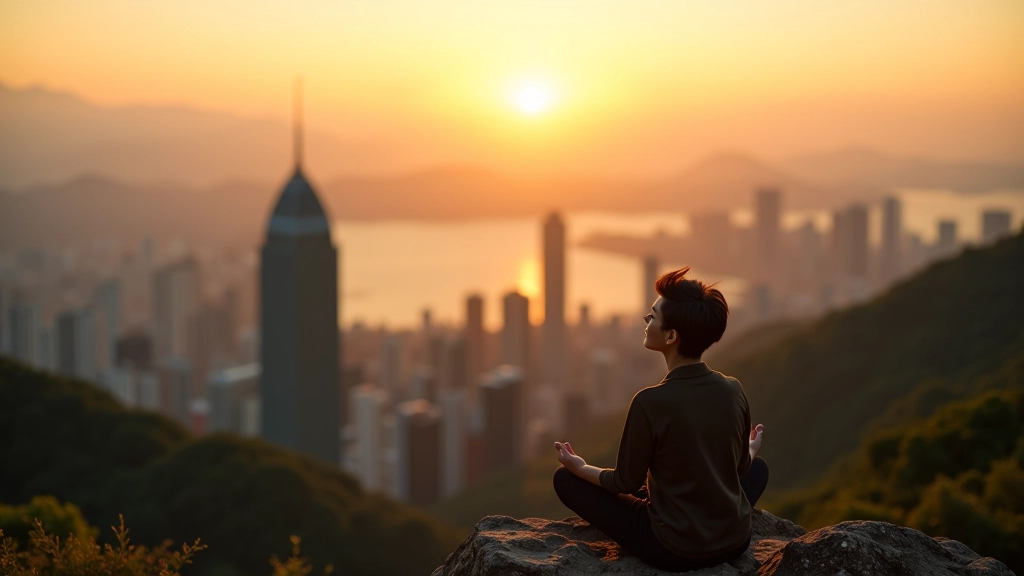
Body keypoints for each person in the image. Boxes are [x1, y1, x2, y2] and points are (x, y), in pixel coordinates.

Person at [552, 267, 769, 572]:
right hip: (736, 540)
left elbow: (624, 482)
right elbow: (741, 467)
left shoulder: (649, 401)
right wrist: (751, 448)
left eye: (652, 316)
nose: (646, 320)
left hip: (672, 549)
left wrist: (580, 467)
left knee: (564, 480)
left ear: (671, 336)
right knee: (758, 468)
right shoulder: (733, 389)